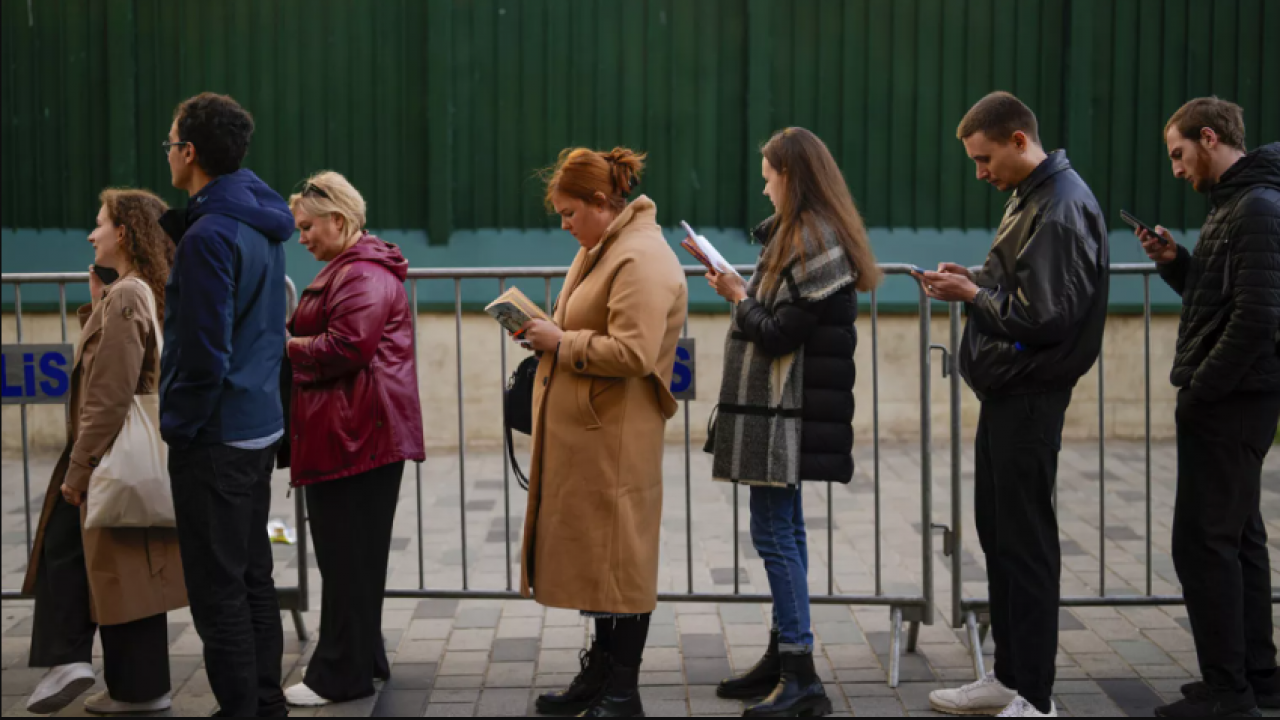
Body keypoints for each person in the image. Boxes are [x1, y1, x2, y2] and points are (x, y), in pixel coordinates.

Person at [923, 92, 1109, 719]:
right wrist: (974, 280)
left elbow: (1045, 317)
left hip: (1030, 394)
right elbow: (1027, 288)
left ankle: (1034, 696)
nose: (980, 172)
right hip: (1009, 392)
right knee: (1001, 538)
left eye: (984, 158)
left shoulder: (1057, 206)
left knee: (1025, 547)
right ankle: (1008, 678)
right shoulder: (1036, 197)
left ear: (1018, 141)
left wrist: (973, 293)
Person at [705, 127, 880, 718]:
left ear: (793, 176)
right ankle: (785, 657)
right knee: (786, 531)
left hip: (789, 415)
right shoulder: (806, 234)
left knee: (775, 534)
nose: (763, 183)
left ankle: (802, 674)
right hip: (787, 414)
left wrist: (736, 293)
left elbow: (780, 333)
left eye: (769, 173)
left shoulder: (813, 240)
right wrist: (741, 288)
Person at [519, 147, 688, 718]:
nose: (564, 226)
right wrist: (545, 330)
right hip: (598, 430)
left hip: (616, 433)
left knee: (621, 560)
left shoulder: (638, 256)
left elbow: (635, 350)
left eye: (569, 213)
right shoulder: (606, 247)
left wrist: (560, 342)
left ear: (600, 202)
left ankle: (623, 690)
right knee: (601, 558)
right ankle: (601, 675)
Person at [1135, 98, 1280, 719]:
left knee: (1203, 544)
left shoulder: (1255, 208)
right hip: (1235, 399)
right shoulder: (1234, 204)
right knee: (1239, 537)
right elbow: (1220, 300)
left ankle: (1229, 692)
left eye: (1178, 153)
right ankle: (1257, 677)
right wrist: (1177, 265)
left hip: (1232, 401)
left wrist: (1202, 390)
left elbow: (1256, 319)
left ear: (1209, 137)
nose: (1175, 169)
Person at [22, 190, 186, 716]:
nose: (92, 234)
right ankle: (132, 686)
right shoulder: (138, 293)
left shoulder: (128, 297)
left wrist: (80, 466)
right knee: (124, 564)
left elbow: (109, 393)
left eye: (100, 224)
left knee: (99, 554)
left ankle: (99, 672)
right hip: (125, 450)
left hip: (112, 450)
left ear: (124, 232)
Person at [159, 92, 296, 717]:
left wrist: (180, 425)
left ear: (190, 152)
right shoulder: (258, 222)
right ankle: (264, 701)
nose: (168, 153)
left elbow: (202, 350)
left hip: (215, 437)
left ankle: (244, 707)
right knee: (252, 577)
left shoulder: (210, 234)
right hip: (256, 426)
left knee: (220, 592)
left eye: (170, 143)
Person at [280, 171, 426, 707]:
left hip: (357, 434)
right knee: (356, 559)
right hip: (359, 431)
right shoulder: (357, 268)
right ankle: (364, 658)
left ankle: (338, 675)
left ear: (338, 222)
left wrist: (286, 344)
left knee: (346, 560)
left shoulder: (361, 274)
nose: (302, 238)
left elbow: (346, 348)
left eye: (308, 227)